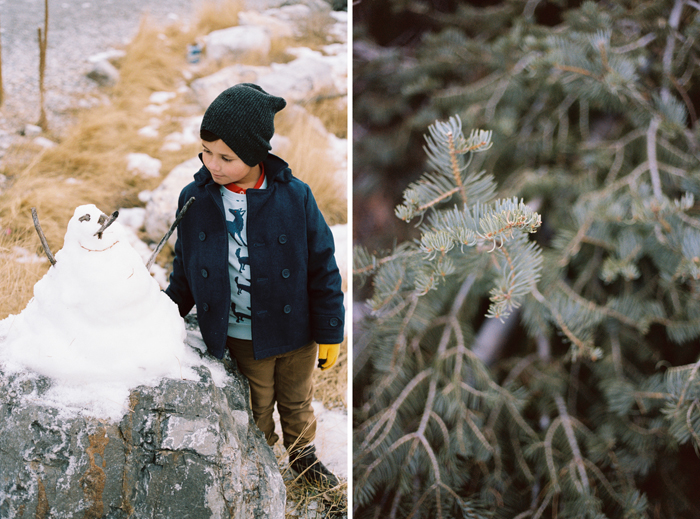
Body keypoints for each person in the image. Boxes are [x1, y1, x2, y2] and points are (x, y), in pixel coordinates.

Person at [165, 83, 344, 488]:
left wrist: (330, 328)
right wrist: (164, 315)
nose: (213, 163)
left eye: (226, 157)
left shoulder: (294, 196)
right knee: (257, 407)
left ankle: (303, 458)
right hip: (244, 334)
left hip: (297, 331)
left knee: (296, 402)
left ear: (256, 152)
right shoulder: (195, 199)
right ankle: (261, 471)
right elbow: (186, 269)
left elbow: (322, 264)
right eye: (206, 151)